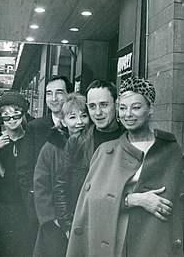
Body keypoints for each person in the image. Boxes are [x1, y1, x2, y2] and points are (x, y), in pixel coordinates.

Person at [66, 76, 184, 257]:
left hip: (155, 240)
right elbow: (91, 201)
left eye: (136, 108)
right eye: (122, 108)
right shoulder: (106, 150)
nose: (128, 114)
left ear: (150, 109)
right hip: (115, 239)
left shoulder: (171, 149)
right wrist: (135, 200)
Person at [54, 80, 124, 235]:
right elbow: (61, 185)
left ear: (116, 104)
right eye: (92, 106)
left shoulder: (128, 137)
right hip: (86, 224)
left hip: (120, 224)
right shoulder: (77, 141)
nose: (98, 112)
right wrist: (68, 226)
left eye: (104, 105)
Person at [18, 75, 73, 252]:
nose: (54, 98)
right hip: (44, 211)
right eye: (49, 93)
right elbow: (25, 169)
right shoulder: (35, 127)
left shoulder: (80, 125)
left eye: (59, 92)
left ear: (70, 94)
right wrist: (35, 204)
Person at [33, 93, 90, 257]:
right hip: (57, 222)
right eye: (73, 117)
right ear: (63, 121)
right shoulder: (51, 147)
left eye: (84, 116)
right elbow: (40, 184)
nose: (79, 122)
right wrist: (53, 218)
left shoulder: (93, 144)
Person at [0, 92, 30, 256]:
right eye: (6, 115)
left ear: (22, 113)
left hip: (24, 205)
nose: (12, 119)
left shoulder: (31, 139)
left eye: (16, 113)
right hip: (0, 205)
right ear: (1, 117)